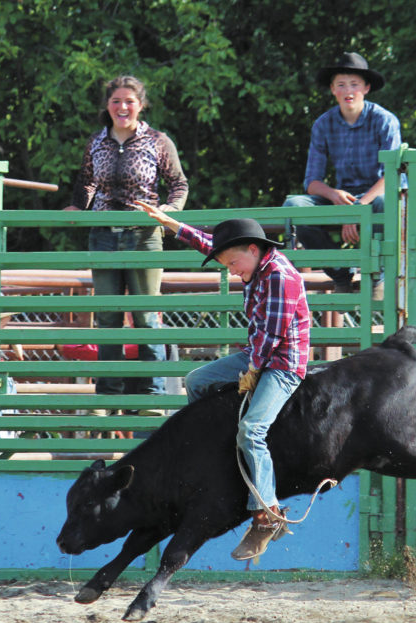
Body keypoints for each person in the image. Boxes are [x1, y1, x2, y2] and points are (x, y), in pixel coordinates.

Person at [134, 200, 310, 561]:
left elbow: (273, 335)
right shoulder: (253, 265)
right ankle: (212, 454)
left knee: (252, 430)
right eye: (226, 265)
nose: (230, 271)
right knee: (197, 381)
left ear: (253, 249)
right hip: (258, 354)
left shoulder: (280, 277)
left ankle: (267, 514)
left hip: (283, 363)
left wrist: (252, 371)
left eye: (232, 264)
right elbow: (208, 242)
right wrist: (171, 223)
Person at [65, 75, 188, 410]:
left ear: (141, 105)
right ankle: (108, 394)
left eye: (129, 101)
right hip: (103, 233)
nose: (122, 107)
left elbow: (178, 185)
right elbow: (86, 182)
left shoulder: (158, 141)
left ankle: (153, 394)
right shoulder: (96, 142)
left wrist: (167, 212)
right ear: (108, 105)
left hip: (143, 234)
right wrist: (78, 206)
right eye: (116, 101)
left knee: (146, 315)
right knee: (107, 317)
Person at [283, 52, 402, 296]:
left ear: (366, 88)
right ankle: (341, 272)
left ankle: (377, 275)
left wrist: (357, 209)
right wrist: (333, 194)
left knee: (382, 202)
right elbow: (311, 182)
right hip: (343, 199)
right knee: (294, 204)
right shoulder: (323, 124)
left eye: (354, 84)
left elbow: (393, 175)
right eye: (341, 85)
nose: (348, 90)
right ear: (332, 90)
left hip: (376, 198)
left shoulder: (384, 120)